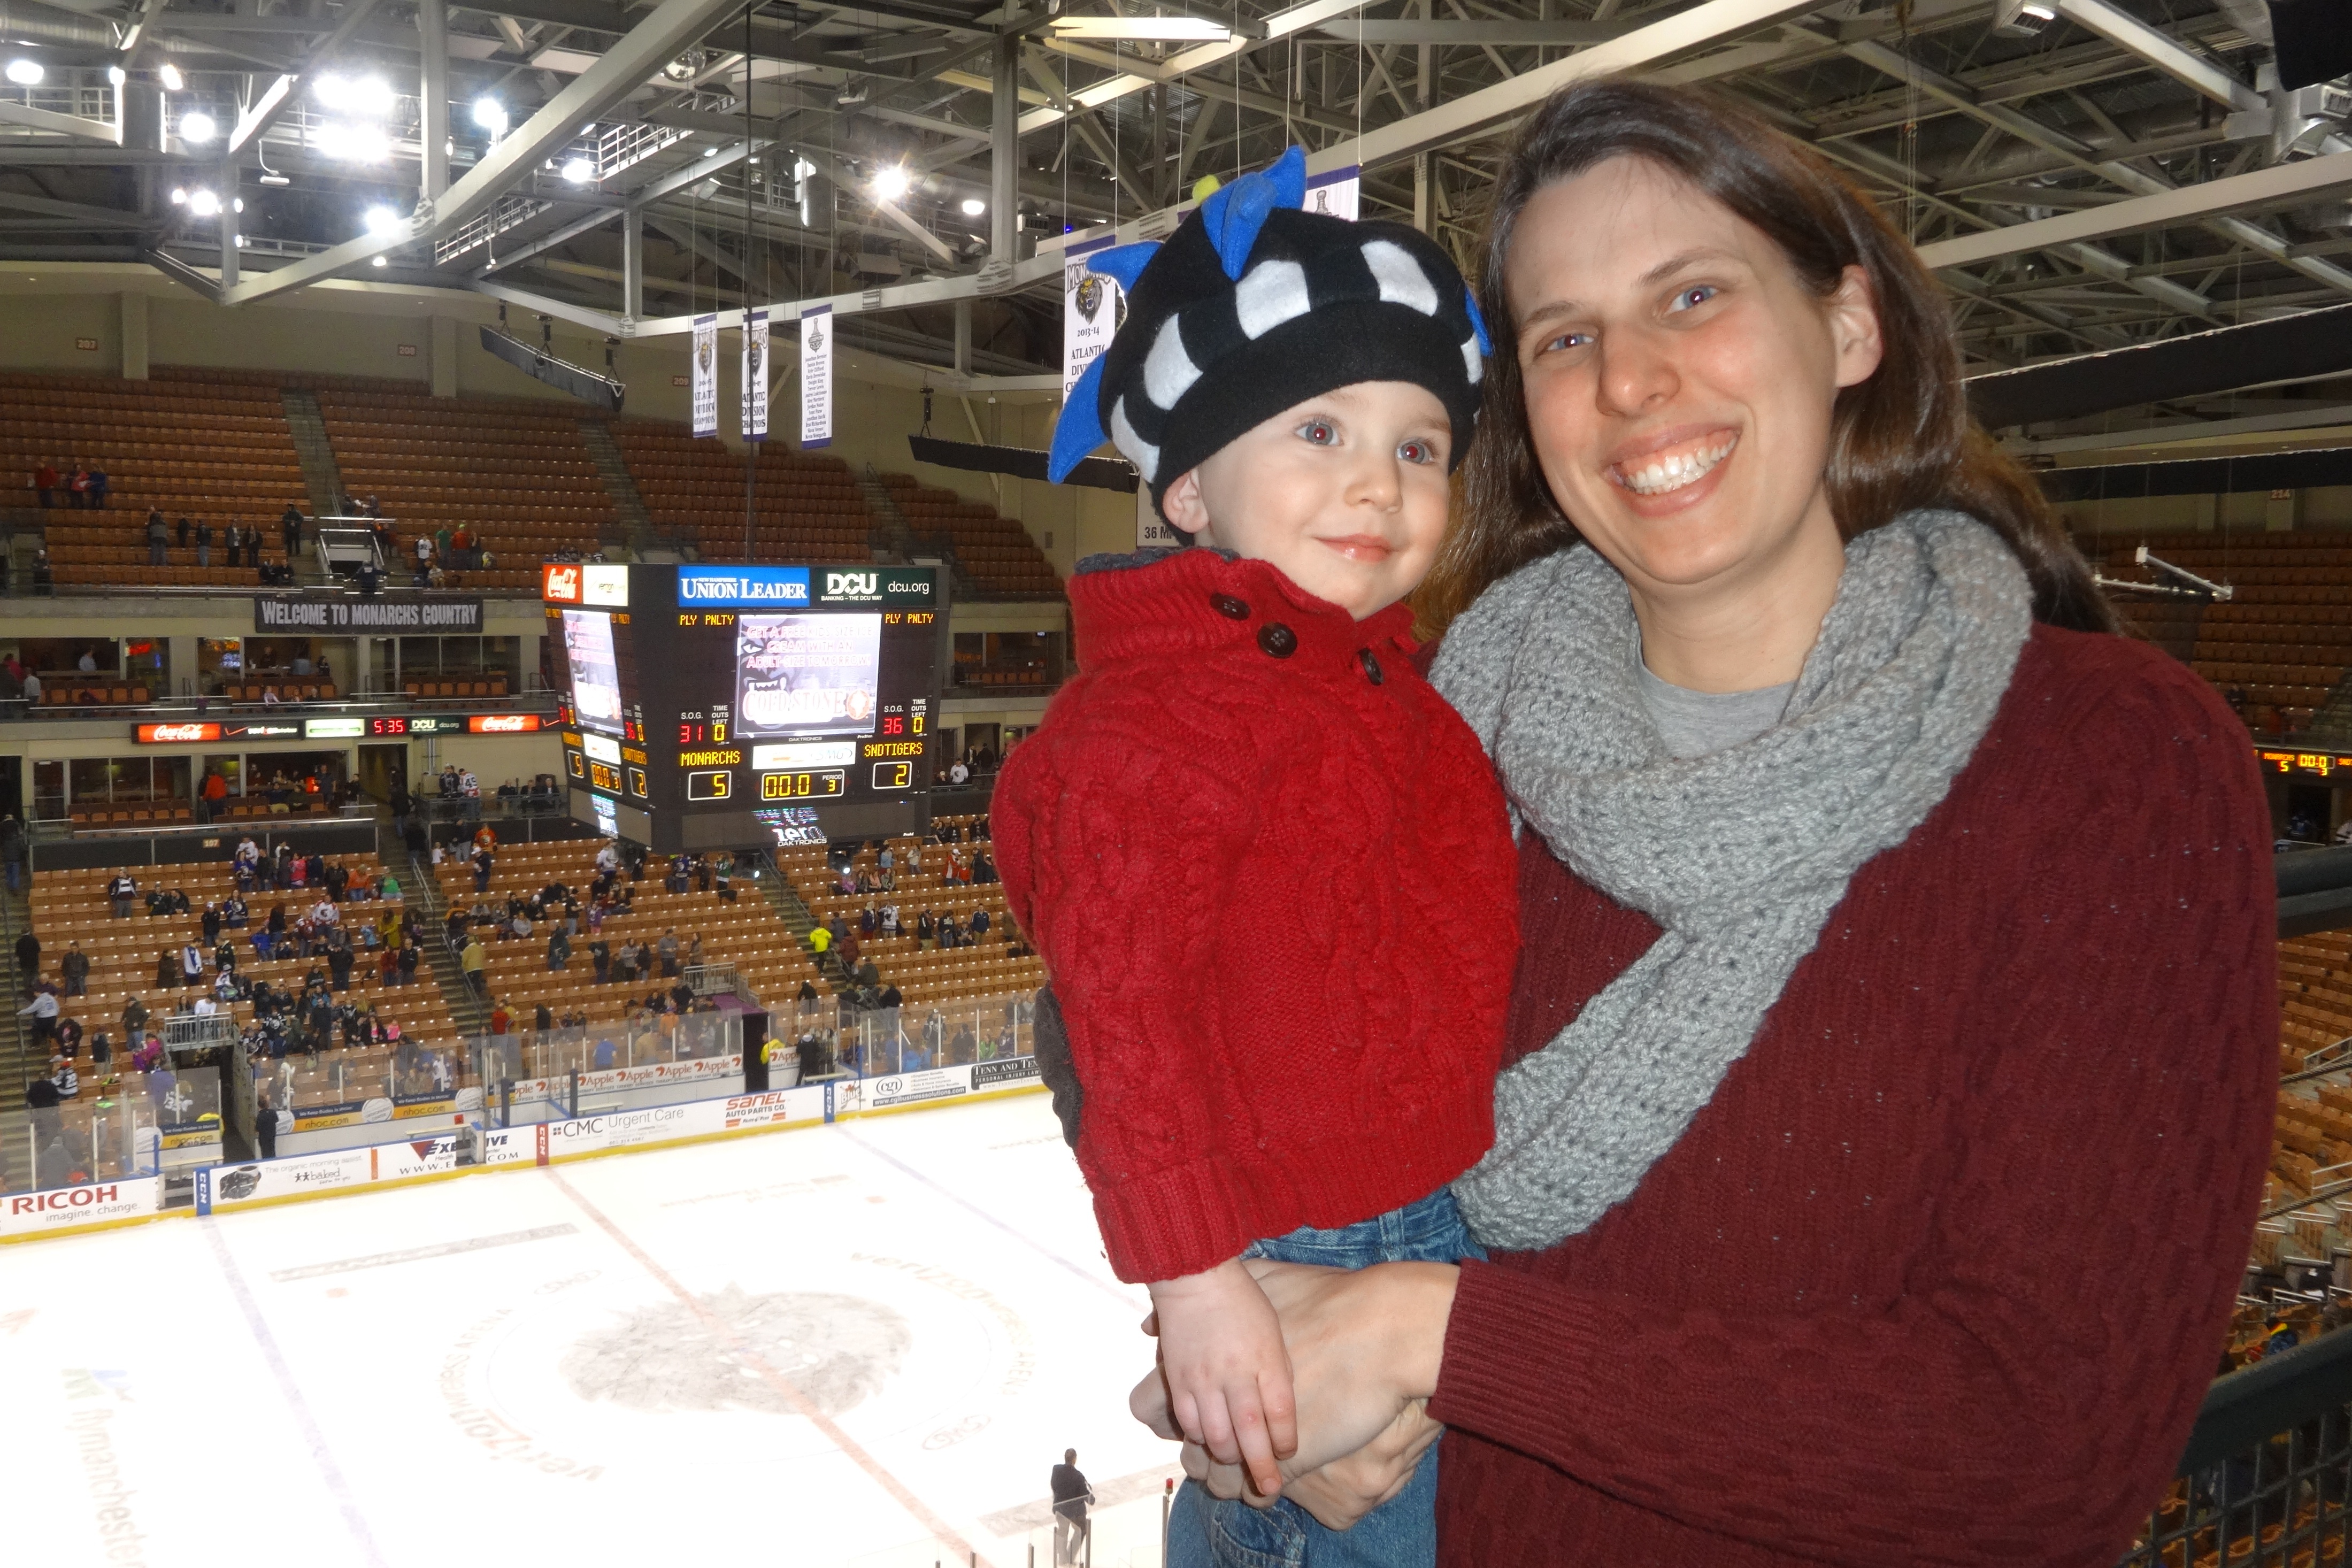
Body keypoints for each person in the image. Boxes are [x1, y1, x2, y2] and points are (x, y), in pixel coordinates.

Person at [1151, 83, 2280, 1568]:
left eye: (1691, 294)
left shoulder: (2106, 761)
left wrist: (1431, 1335)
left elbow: (2043, 1442)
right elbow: (1164, 1001)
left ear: (1850, 327)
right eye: (1563, 337)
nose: (1629, 380)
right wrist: (1240, 1358)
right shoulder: (1430, 737)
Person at [998, 145, 1515, 1568]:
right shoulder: (1148, 722)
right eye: (1319, 430)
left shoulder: (1411, 701)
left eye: (1419, 447)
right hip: (1297, 1242)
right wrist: (1196, 1275)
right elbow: (1127, 1016)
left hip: (1450, 1225)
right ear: (1186, 492)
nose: (1377, 483)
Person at [1050, 1450, 1094, 1567]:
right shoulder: (1078, 1476)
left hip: (1060, 1509)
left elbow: (1053, 1485)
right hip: (1075, 1512)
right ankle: (1069, 1557)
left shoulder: (1056, 1470)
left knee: (1063, 1530)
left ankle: (1063, 1559)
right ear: (1075, 1459)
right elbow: (1089, 1498)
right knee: (1082, 1528)